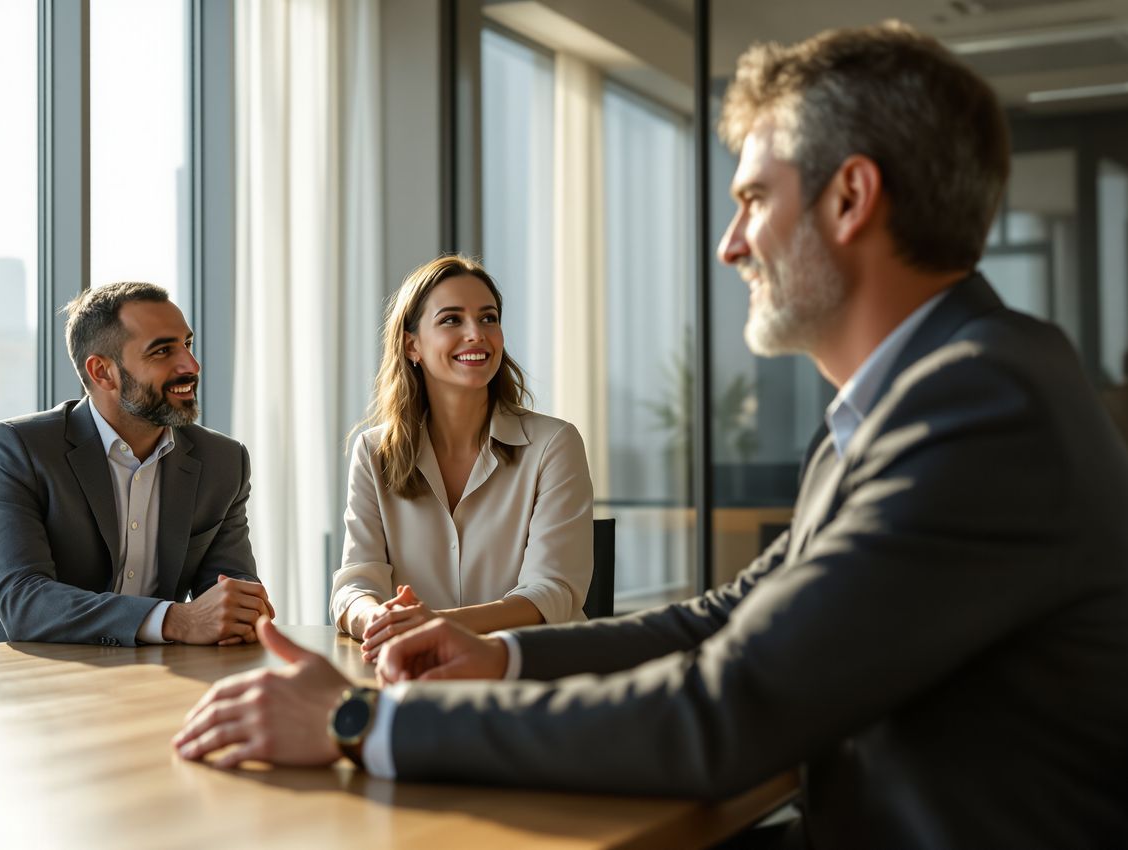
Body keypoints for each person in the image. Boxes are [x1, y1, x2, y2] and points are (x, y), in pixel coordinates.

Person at [173, 23, 1128, 848]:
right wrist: (498, 659)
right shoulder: (912, 402)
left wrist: (357, 721)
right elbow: (723, 619)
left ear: (850, 198)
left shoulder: (977, 408)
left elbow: (730, 708)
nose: (730, 243)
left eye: (753, 198)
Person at [0, 282, 274, 647]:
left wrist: (240, 611)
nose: (191, 366)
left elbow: (230, 593)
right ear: (102, 372)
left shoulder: (222, 461)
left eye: (187, 345)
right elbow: (23, 602)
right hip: (22, 677)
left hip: (146, 678)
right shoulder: (19, 450)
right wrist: (173, 619)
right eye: (162, 351)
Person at [330, 254, 593, 661]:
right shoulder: (373, 453)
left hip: (530, 677)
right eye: (452, 320)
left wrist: (434, 626)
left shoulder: (554, 444)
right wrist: (379, 620)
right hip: (411, 674)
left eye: (488, 318)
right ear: (411, 344)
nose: (476, 334)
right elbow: (353, 586)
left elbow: (552, 593)